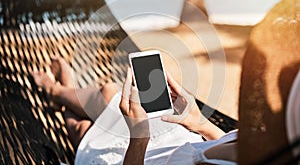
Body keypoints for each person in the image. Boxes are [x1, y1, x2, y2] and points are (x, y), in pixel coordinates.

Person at [32, 56, 237, 165]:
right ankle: (59, 91)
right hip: (172, 141)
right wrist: (198, 121)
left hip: (135, 157)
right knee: (109, 92)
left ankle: (56, 90)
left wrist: (139, 137)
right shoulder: (266, 142)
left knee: (83, 130)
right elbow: (227, 142)